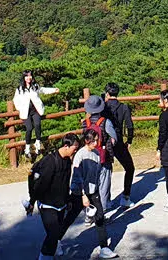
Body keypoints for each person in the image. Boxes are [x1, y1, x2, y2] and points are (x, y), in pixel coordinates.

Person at [28, 133, 81, 260]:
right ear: (66, 146)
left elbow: (65, 182)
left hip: (61, 204)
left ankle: (51, 251)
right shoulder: (50, 162)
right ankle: (44, 257)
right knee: (52, 235)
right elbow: (40, 185)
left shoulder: (68, 162)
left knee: (55, 235)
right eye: (75, 148)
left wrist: (67, 199)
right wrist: (32, 202)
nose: (76, 151)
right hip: (47, 205)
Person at [71, 128, 120, 259]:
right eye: (93, 141)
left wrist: (96, 190)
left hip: (93, 191)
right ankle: (56, 241)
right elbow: (76, 176)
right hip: (79, 192)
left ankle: (104, 247)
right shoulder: (80, 155)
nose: (96, 143)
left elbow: (98, 174)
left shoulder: (97, 154)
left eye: (97, 141)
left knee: (100, 217)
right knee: (69, 218)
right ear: (86, 141)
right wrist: (83, 195)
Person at [102, 83, 136, 208]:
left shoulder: (103, 106)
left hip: (106, 142)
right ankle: (126, 197)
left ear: (107, 93)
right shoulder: (124, 107)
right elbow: (130, 126)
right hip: (119, 142)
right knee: (129, 168)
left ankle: (106, 200)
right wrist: (130, 141)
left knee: (105, 171)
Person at [15, 71, 60, 157]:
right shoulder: (19, 89)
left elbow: (43, 90)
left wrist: (54, 90)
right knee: (29, 128)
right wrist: (20, 108)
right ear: (23, 78)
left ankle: (38, 143)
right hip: (26, 112)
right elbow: (15, 100)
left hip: (36, 110)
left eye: (30, 76)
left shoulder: (35, 86)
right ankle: (27, 147)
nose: (29, 78)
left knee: (37, 124)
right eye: (26, 76)